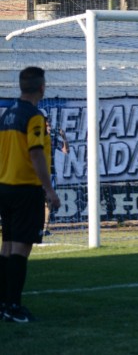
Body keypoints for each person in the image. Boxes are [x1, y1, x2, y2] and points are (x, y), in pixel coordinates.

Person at [0, 67, 60, 323]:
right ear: (42, 88)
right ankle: (13, 306)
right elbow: (35, 153)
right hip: (25, 188)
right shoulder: (34, 117)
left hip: (5, 186)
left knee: (7, 247)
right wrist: (49, 189)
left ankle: (3, 303)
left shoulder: (7, 114)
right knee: (21, 249)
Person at [42, 109, 69, 237]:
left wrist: (64, 137)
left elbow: (65, 150)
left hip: (51, 174)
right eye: (47, 125)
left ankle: (44, 228)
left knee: (48, 202)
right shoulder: (37, 139)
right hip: (38, 174)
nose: (49, 127)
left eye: (50, 125)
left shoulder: (52, 139)